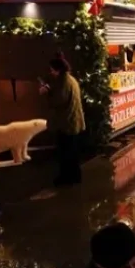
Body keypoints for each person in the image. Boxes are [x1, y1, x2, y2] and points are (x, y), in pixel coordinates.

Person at [40, 54, 85, 186]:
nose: (51, 72)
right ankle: (75, 177)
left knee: (66, 153)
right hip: (73, 121)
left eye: (52, 69)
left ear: (57, 69)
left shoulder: (64, 82)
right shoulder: (70, 79)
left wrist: (46, 93)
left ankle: (67, 179)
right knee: (72, 152)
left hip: (67, 123)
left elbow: (57, 102)